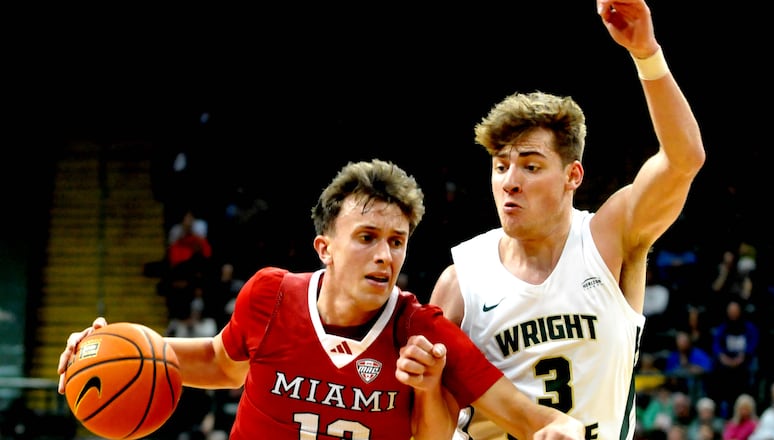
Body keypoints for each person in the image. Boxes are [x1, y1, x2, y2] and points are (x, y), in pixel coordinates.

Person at [57, 159, 584, 439]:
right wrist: (109, 348)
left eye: (397, 242)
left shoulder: (420, 334)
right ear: (324, 247)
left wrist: (565, 430)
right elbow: (222, 361)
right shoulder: (271, 295)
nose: (385, 255)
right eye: (367, 237)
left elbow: (526, 417)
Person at [428, 1, 706, 439]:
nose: (510, 182)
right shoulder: (460, 281)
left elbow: (684, 158)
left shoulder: (608, 238)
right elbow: (431, 421)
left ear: (572, 176)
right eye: (501, 166)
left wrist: (646, 54)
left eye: (531, 166)